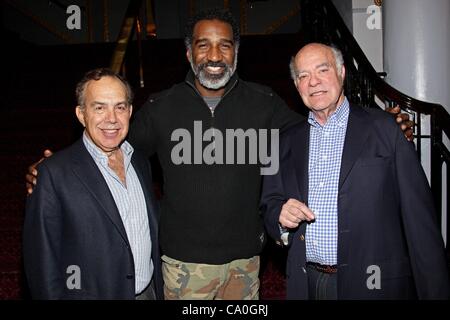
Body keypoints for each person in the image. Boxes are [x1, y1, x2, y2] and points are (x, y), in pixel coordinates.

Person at [25, 9, 413, 300]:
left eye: (224, 44)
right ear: (188, 51)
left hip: (246, 266)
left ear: (236, 52)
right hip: (182, 269)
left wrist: (380, 126)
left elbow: (320, 132)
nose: (214, 54)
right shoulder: (161, 107)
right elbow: (112, 144)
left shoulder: (265, 102)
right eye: (203, 44)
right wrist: (57, 168)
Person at [260, 43, 450, 299]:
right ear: (297, 86)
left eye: (322, 70)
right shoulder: (284, 142)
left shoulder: (385, 129)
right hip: (310, 285)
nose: (313, 82)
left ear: (342, 73)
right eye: (303, 76)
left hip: (375, 285)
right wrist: (281, 218)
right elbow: (270, 204)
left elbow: (420, 223)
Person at [23, 68, 163, 300]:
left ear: (129, 111)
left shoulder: (140, 161)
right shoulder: (53, 174)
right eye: (99, 107)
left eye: (119, 107)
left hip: (149, 292)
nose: (111, 118)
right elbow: (42, 263)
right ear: (81, 114)